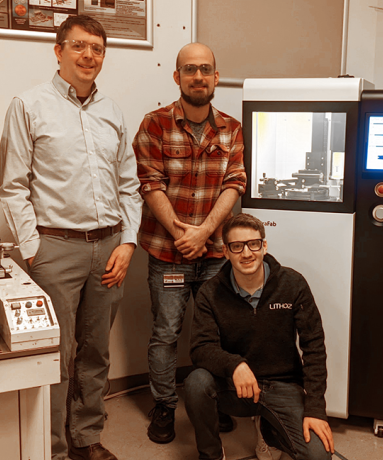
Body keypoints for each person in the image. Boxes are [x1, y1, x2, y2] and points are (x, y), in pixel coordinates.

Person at [0, 15, 142, 460]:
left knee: (96, 351)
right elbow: (13, 185)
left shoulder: (112, 112)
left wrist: (128, 241)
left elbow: (129, 186)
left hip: (109, 248)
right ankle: (54, 448)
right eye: (79, 46)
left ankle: (86, 438)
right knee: (54, 355)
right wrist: (33, 249)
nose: (88, 56)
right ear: (58, 51)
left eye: (97, 49)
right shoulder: (28, 105)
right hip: (54, 248)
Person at [132, 42, 247, 444]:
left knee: (218, 332)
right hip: (168, 254)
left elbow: (235, 184)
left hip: (216, 254)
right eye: (189, 69)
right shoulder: (154, 125)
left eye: (205, 69)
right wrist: (185, 235)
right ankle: (164, 406)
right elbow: (150, 184)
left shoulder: (232, 128)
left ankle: (213, 400)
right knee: (166, 333)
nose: (198, 76)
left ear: (216, 77)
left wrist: (205, 233)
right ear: (177, 76)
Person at [184, 213, 334, 460]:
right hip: (237, 387)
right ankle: (211, 454)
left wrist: (316, 409)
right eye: (237, 246)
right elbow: (200, 348)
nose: (246, 253)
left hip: (283, 385)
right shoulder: (210, 293)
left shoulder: (293, 284)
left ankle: (269, 429)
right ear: (225, 252)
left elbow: (314, 347)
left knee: (318, 456)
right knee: (196, 383)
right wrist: (235, 365)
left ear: (264, 246)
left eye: (253, 244)